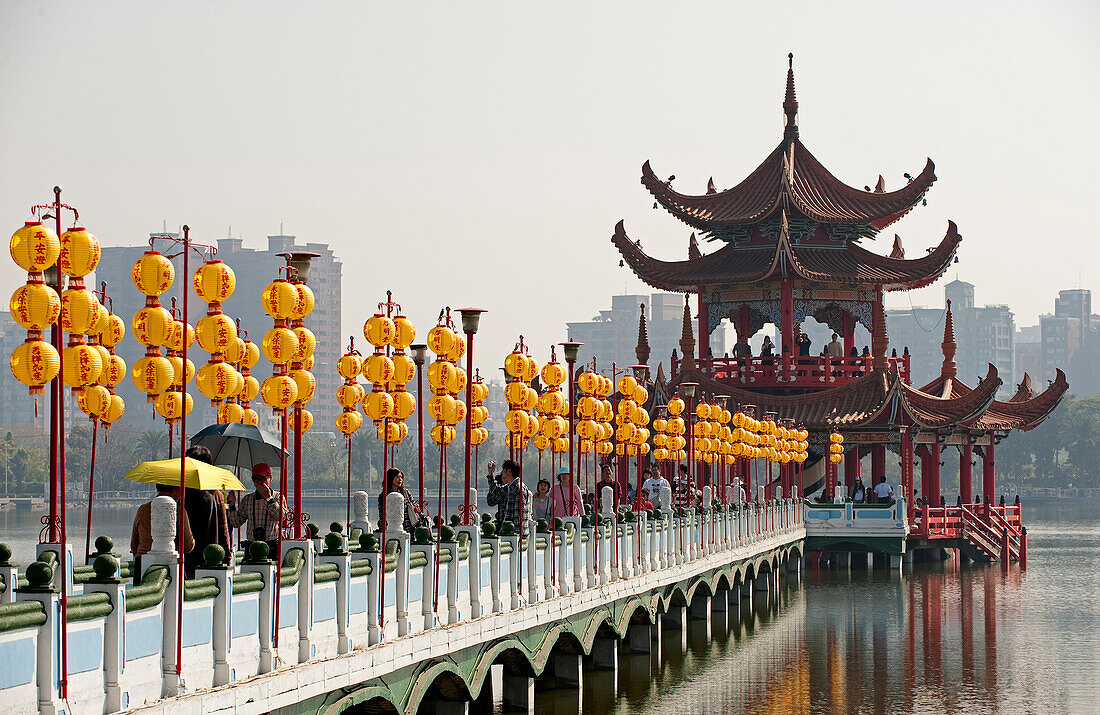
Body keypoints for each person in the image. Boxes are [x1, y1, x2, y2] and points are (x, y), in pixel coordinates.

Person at [131, 482, 194, 586]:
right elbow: (188, 546)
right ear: (175, 489)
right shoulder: (179, 511)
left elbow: (134, 545)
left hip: (141, 564)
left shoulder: (143, 509)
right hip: (169, 567)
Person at [182, 445, 228, 577]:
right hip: (209, 560)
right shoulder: (213, 495)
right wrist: (226, 557)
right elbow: (222, 529)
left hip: (187, 560)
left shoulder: (181, 494)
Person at [226, 462, 288, 557]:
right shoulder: (248, 499)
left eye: (263, 478)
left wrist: (269, 499)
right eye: (256, 479)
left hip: (271, 546)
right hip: (252, 546)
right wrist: (232, 506)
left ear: (270, 478)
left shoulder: (278, 497)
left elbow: (281, 517)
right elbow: (236, 523)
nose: (259, 482)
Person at [486, 459, 532, 530]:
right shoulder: (511, 487)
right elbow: (496, 490)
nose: (502, 473)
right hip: (510, 532)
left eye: (503, 470)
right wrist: (491, 473)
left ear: (509, 471)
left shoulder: (517, 488)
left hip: (514, 532)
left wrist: (516, 533)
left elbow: (519, 514)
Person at [376, 468, 425, 532]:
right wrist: (384, 530)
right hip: (391, 529)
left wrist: (422, 517)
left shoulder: (405, 493)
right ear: (390, 478)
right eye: (397, 477)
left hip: (409, 527)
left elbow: (414, 505)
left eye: (401, 477)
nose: (400, 480)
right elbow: (382, 515)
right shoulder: (383, 496)